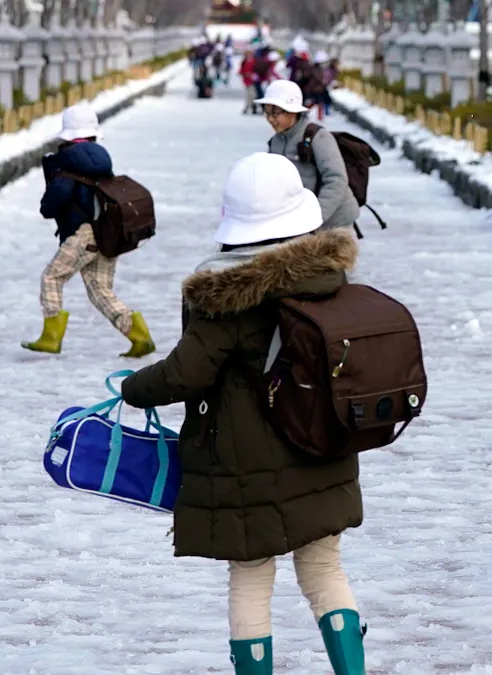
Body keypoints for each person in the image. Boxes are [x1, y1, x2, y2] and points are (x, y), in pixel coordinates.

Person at [120, 152, 366, 675]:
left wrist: (133, 388)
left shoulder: (224, 299)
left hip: (245, 462)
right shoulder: (327, 278)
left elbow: (184, 374)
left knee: (252, 575)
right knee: (323, 566)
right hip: (321, 448)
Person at [23, 102, 156, 358]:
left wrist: (46, 206)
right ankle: (140, 336)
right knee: (100, 290)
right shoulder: (101, 161)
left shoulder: (66, 163)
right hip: (107, 232)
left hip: (83, 234)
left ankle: (51, 336)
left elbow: (55, 200)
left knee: (52, 278)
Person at [255, 79, 359, 232]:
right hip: (302, 225)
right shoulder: (275, 142)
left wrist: (316, 218)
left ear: (293, 111)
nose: (270, 119)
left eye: (276, 113)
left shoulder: (318, 137)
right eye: (267, 112)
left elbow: (336, 180)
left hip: (335, 224)